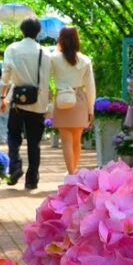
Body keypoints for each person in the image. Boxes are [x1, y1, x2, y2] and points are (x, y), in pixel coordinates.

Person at [0, 18, 52, 189]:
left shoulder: (12, 48)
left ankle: (14, 165)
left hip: (18, 102)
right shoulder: (45, 52)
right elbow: (46, 79)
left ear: (22, 30)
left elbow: (5, 76)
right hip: (37, 102)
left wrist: (4, 95)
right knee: (34, 142)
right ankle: (32, 178)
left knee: (13, 135)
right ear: (38, 32)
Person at [49, 27, 96, 174]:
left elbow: (46, 79)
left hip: (62, 99)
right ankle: (74, 171)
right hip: (79, 99)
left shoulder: (54, 58)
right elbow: (90, 87)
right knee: (77, 140)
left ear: (61, 39)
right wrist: (91, 109)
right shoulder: (85, 60)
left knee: (66, 140)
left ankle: (71, 172)